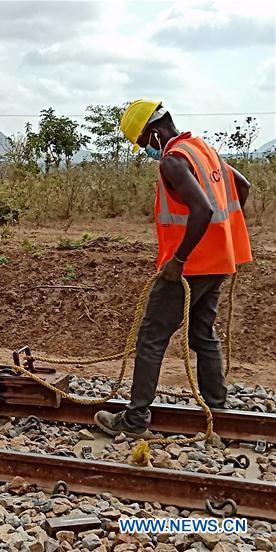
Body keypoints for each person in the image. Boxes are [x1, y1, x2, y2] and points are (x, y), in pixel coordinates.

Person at [94, 100, 252, 438]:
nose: (143, 150)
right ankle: (217, 406)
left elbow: (202, 209)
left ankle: (135, 420)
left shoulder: (173, 161)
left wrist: (178, 259)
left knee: (151, 338)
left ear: (153, 132)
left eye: (141, 143)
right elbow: (243, 187)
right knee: (202, 334)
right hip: (219, 261)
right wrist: (223, 235)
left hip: (188, 269)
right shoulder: (202, 149)